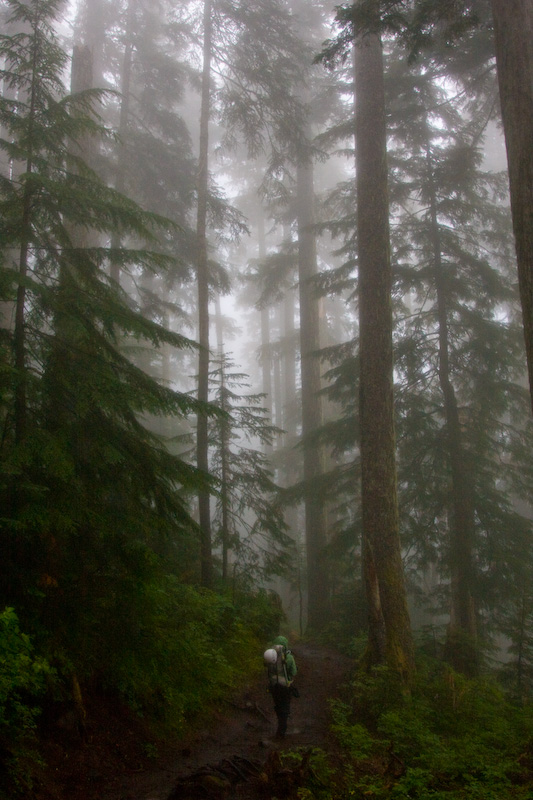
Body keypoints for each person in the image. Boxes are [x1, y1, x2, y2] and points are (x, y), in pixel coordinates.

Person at [266, 635, 297, 740]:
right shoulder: (289, 657)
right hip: (285, 687)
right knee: (285, 708)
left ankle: (280, 727)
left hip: (274, 687)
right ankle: (281, 731)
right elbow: (294, 672)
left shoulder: (270, 656)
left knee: (278, 706)